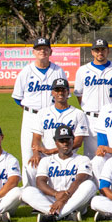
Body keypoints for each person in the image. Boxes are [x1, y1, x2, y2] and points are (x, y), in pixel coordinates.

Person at [22, 125, 97, 222]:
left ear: (73, 140)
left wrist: (65, 196)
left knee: (89, 185)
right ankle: (68, 215)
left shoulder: (82, 159)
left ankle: (54, 215)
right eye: (62, 141)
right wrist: (56, 194)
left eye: (68, 140)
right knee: (26, 192)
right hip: (53, 198)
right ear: (56, 142)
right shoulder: (46, 160)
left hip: (75, 199)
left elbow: (80, 180)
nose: (65, 143)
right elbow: (40, 182)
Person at [11, 37, 67, 170]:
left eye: (45, 49)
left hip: (52, 115)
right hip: (31, 116)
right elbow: (17, 98)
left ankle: (52, 186)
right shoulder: (26, 72)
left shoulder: (58, 71)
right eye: (39, 49)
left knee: (52, 151)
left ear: (50, 51)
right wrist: (31, 109)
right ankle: (28, 188)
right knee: (28, 153)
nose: (42, 51)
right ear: (33, 52)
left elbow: (65, 96)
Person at [28, 78, 89, 187]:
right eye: (57, 90)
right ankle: (38, 193)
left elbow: (78, 142)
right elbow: (36, 137)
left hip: (70, 156)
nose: (60, 93)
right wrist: (36, 153)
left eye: (63, 90)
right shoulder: (42, 113)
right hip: (46, 157)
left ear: (68, 92)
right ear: (52, 92)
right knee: (31, 166)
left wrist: (52, 150)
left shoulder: (78, 114)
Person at [72, 38, 112, 158]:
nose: (100, 52)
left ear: (108, 51)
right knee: (92, 156)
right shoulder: (83, 70)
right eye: (97, 50)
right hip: (91, 118)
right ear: (92, 52)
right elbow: (79, 95)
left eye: (103, 49)